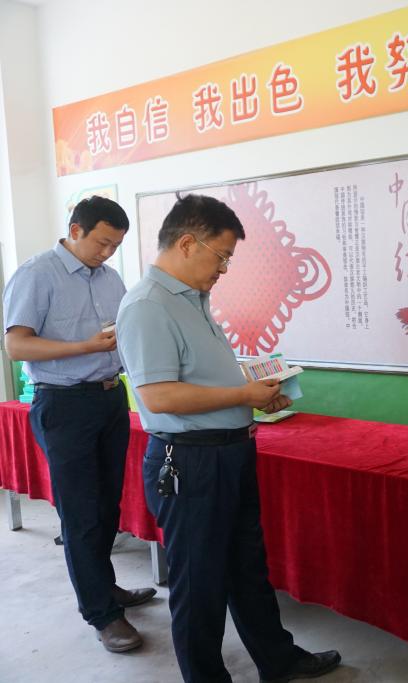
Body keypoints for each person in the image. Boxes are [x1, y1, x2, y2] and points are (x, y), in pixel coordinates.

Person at [116, 194, 340, 683]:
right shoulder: (148, 306)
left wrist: (253, 397)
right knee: (200, 585)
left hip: (230, 452)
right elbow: (159, 396)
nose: (223, 269)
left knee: (247, 569)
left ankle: (278, 661)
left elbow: (201, 378)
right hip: (190, 463)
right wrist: (242, 394)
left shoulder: (193, 300)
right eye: (221, 256)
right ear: (187, 243)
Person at [2, 196, 155, 653]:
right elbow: (17, 347)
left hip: (110, 399)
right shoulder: (37, 274)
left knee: (108, 506)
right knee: (81, 514)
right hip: (64, 405)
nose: (107, 253)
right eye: (102, 242)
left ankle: (105, 587)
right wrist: (86, 347)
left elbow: (123, 336)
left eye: (116, 246)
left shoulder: (110, 279)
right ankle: (102, 614)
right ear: (75, 230)